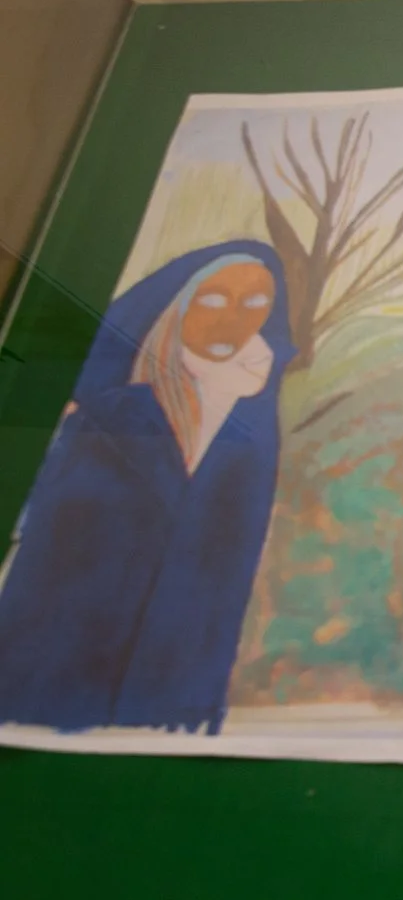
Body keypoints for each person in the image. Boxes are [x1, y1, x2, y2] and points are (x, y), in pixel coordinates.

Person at [0, 241, 293, 733]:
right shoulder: (107, 408)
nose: (233, 320)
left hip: (176, 660)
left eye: (256, 303)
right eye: (213, 300)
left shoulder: (256, 410)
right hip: (61, 649)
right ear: (178, 303)